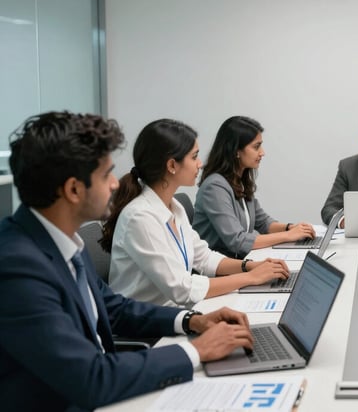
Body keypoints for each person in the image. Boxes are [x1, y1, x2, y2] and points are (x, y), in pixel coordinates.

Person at [0, 112, 255, 410]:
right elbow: (89, 379)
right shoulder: (17, 266)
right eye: (105, 174)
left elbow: (114, 308)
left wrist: (191, 320)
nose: (115, 184)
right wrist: (196, 352)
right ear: (73, 189)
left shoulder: (64, 241)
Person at [102, 119, 290, 308]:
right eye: (194, 157)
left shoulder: (174, 207)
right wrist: (250, 277)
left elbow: (204, 258)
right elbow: (182, 289)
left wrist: (249, 266)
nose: (200, 164)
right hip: (149, 325)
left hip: (177, 311)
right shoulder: (140, 218)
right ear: (172, 165)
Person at [193, 116, 315, 258]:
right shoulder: (214, 187)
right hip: (222, 270)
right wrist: (288, 235)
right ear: (236, 151)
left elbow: (262, 222)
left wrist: (290, 227)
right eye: (256, 147)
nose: (262, 152)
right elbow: (237, 241)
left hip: (240, 261)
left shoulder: (239, 180)